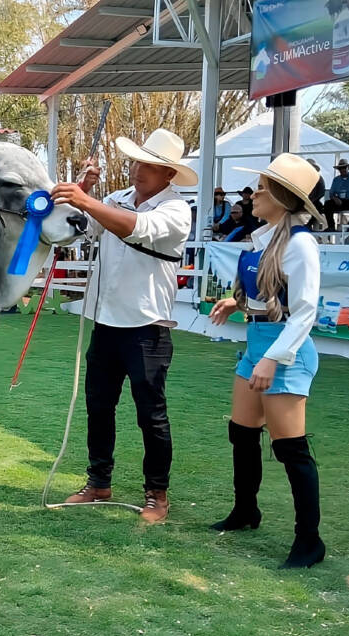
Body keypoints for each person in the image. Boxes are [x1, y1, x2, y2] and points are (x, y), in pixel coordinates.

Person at [52, 128, 197, 523]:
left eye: (150, 166)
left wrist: (89, 202)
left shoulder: (177, 210)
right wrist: (82, 194)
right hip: (106, 321)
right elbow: (81, 227)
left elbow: (138, 229)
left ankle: (157, 493)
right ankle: (98, 482)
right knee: (99, 407)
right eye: (137, 162)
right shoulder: (114, 199)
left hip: (148, 326)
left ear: (169, 175)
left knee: (150, 414)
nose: (139, 170)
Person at [208, 153, 326, 569]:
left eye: (262, 187)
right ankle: (245, 511)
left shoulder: (300, 244)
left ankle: (309, 541)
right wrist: (234, 302)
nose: (253, 194)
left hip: (284, 352)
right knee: (241, 433)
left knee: (290, 448)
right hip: (259, 343)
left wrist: (275, 359)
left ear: (283, 196)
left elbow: (305, 311)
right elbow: (265, 294)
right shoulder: (267, 237)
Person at [323, 158, 349, 231]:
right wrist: (335, 198)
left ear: (348, 168)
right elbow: (331, 193)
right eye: (340, 168)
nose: (342, 170)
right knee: (327, 204)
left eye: (344, 168)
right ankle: (331, 226)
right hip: (339, 201)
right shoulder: (336, 179)